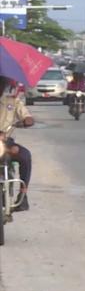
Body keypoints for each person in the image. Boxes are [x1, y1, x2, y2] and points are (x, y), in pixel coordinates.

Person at [0, 77, 34, 212]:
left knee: (25, 155)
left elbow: (26, 116)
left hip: (6, 143)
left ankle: (23, 195)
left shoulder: (13, 102)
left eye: (2, 83)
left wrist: (27, 120)